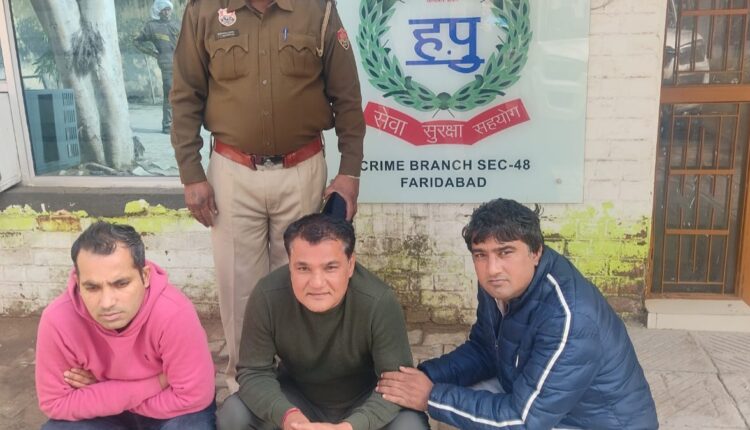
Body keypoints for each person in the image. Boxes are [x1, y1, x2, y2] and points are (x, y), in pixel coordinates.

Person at [170, 0, 365, 392]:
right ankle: (248, 387)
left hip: (302, 171)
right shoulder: (204, 11)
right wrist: (191, 172)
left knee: (303, 282)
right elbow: (185, 95)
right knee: (238, 289)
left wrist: (349, 172)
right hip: (232, 174)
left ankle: (300, 385)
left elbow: (346, 96)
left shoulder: (317, 9)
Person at [377, 198, 659, 429]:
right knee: (454, 404)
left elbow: (523, 421)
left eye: (505, 252)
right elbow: (485, 350)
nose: (492, 269)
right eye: (480, 254)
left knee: (453, 408)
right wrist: (422, 376)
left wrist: (430, 396)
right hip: (544, 403)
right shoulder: (500, 286)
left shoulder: (568, 317)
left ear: (535, 252)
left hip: (595, 423)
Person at [216, 214, 429, 430]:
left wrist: (350, 426)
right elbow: (254, 372)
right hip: (296, 399)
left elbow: (397, 384)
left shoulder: (378, 301)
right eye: (303, 268)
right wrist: (289, 417)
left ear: (350, 265)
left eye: (330, 268)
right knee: (234, 414)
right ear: (290, 265)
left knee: (411, 425)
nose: (317, 283)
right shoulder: (267, 295)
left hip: (364, 401)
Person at [35, 222, 216, 429]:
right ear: (77, 282)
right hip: (112, 411)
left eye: (121, 284)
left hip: (170, 408)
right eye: (92, 287)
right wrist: (155, 383)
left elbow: (192, 396)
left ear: (145, 277)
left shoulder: (174, 312)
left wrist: (103, 391)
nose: (107, 303)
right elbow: (55, 403)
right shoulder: (58, 319)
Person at [134, 0, 179, 134]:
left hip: (183, 63)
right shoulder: (151, 26)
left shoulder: (178, 24)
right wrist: (153, 53)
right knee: (170, 94)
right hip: (166, 63)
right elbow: (136, 42)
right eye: (163, 10)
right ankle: (167, 126)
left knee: (184, 95)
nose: (167, 12)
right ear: (158, 11)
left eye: (168, 9)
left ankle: (182, 125)